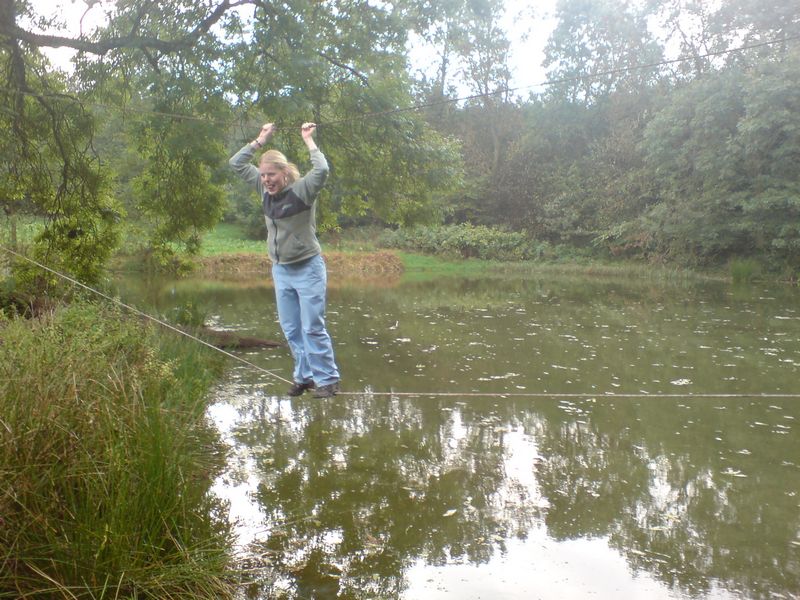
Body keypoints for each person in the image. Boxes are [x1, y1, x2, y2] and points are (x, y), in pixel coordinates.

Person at [229, 122, 340, 398]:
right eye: (263, 175)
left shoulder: (303, 190)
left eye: (272, 175)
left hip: (308, 267)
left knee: (312, 326)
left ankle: (328, 380)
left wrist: (308, 140)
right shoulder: (262, 189)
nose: (266, 180)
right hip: (281, 270)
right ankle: (305, 377)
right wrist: (260, 140)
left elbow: (323, 170)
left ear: (284, 173)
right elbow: (236, 163)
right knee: (291, 329)